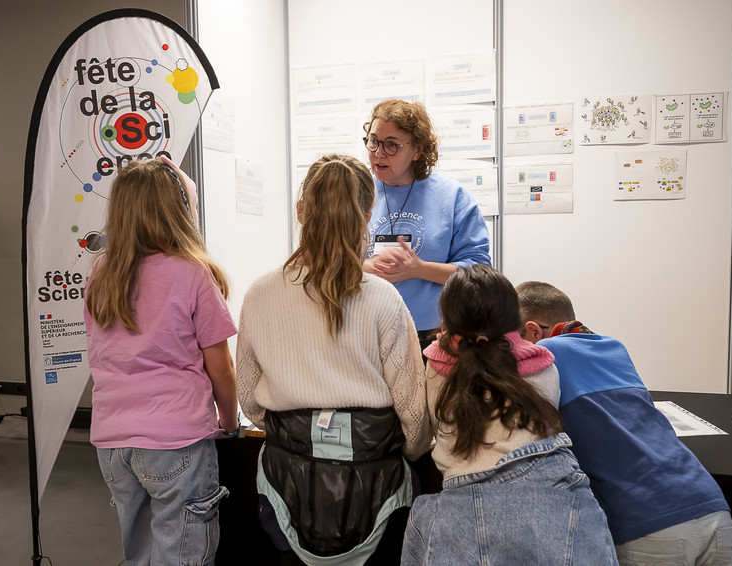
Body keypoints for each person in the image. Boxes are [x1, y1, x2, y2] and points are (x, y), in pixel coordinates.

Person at [236, 154, 432, 565]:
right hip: (379, 488)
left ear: (300, 211)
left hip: (284, 484)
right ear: (367, 217)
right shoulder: (382, 298)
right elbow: (415, 417)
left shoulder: (260, 294)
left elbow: (251, 402)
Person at [402, 265, 618, 566]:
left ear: (448, 319)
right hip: (554, 490)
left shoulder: (436, 368)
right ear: (511, 313)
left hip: (464, 501)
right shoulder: (543, 364)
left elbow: (421, 433)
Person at [83, 157, 239, 566]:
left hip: (114, 443)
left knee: (140, 552)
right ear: (180, 211)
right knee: (185, 552)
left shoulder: (101, 273)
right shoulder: (192, 273)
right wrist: (230, 423)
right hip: (176, 441)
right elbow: (220, 367)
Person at [516, 281, 732, 566]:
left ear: (533, 331)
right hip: (711, 508)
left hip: (649, 525)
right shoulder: (612, 346)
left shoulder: (545, 353)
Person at [362, 99, 490, 352]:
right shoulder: (357, 192)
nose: (378, 152)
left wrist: (417, 269)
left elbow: (479, 274)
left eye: (392, 145)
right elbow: (331, 258)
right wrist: (362, 266)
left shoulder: (452, 197)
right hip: (365, 327)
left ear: (417, 151)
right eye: (373, 140)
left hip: (432, 334)